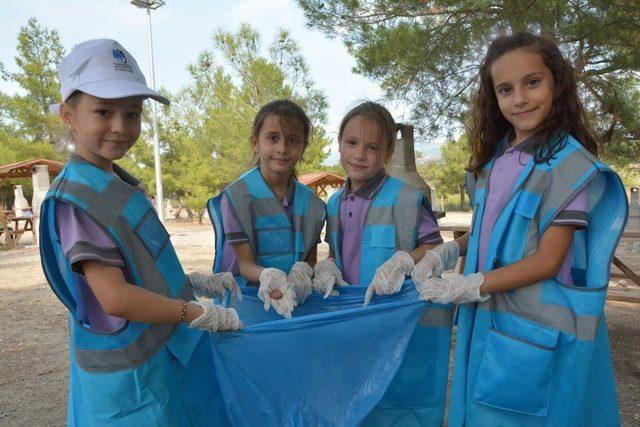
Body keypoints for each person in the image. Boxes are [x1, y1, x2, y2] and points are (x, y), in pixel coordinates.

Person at [416, 32, 627, 426]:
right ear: (493, 98)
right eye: (505, 89)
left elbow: (549, 260)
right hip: (489, 323)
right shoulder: (495, 161)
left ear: (557, 83)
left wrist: (469, 284)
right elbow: (487, 233)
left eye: (533, 82)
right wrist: (447, 252)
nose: (520, 99)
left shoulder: (568, 166)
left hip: (535, 333)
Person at [39, 39, 241, 426]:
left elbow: (142, 262)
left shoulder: (115, 182)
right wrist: (194, 312)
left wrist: (191, 281)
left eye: (132, 114)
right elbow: (113, 297)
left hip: (157, 364)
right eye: (103, 111)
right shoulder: (77, 198)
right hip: (127, 382)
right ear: (68, 115)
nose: (120, 127)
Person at [318, 101, 451, 426]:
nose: (359, 154)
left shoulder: (406, 198)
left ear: (388, 151)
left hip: (399, 327)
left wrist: (405, 259)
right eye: (351, 143)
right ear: (339, 144)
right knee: (358, 403)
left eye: (372, 147)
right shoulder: (334, 203)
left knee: (397, 407)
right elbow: (337, 252)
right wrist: (328, 266)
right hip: (353, 325)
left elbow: (434, 246)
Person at [207, 99, 326, 319]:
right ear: (255, 142)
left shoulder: (314, 205)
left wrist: (302, 275)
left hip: (294, 306)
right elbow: (245, 265)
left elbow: (309, 258)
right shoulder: (235, 198)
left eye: (293, 140)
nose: (282, 148)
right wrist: (269, 276)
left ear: (303, 147)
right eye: (273, 138)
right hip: (244, 306)